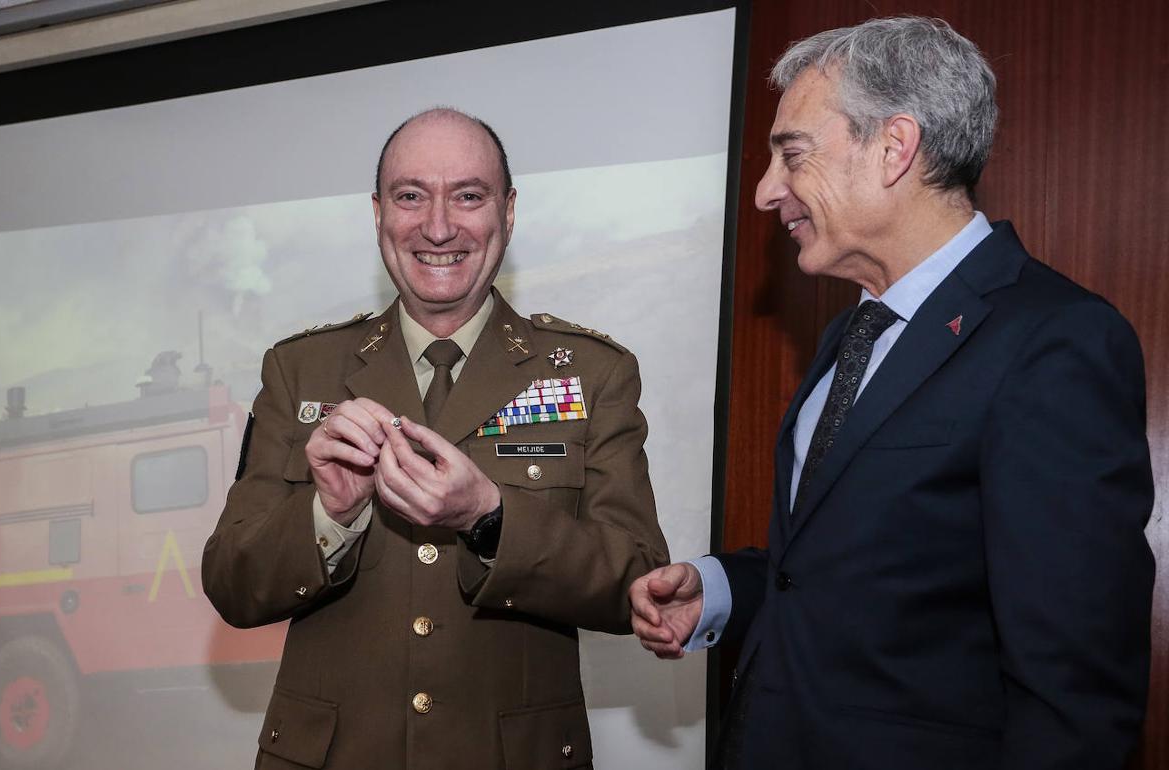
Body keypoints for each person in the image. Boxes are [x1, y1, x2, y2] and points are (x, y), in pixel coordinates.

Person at [630, 16, 1154, 770]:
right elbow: (845, 573)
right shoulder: (853, 335)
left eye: (792, 154)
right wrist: (718, 589)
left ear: (892, 148)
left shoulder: (1055, 342)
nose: (766, 192)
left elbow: (1073, 689)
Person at [203, 108, 669, 769]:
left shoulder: (592, 374)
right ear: (378, 213)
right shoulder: (300, 369)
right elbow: (230, 582)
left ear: (507, 213)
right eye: (411, 196)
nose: (439, 226)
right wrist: (328, 515)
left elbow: (639, 580)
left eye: (469, 196)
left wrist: (490, 517)